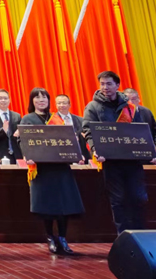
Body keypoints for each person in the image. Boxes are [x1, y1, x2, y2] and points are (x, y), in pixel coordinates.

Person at [83, 71, 156, 234]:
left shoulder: (130, 108)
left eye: (109, 84)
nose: (105, 87)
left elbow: (141, 133)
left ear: (117, 85)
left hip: (133, 161)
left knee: (139, 198)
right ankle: (123, 237)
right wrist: (95, 150)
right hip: (111, 161)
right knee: (118, 200)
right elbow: (88, 131)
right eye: (102, 84)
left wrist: (150, 153)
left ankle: (140, 235)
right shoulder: (92, 107)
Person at [21, 88, 84, 254]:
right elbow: (24, 141)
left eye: (44, 97)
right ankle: (50, 237)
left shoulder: (56, 118)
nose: (41, 100)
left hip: (60, 167)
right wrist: (28, 155)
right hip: (42, 169)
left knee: (64, 205)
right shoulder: (28, 119)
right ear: (32, 101)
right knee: (47, 206)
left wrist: (75, 153)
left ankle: (63, 237)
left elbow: (66, 140)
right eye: (37, 97)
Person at [54, 94, 91, 161]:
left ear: (69, 105)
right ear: (56, 105)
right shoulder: (53, 121)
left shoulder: (81, 120)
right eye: (59, 103)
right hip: (62, 157)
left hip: (82, 156)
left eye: (64, 103)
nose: (61, 105)